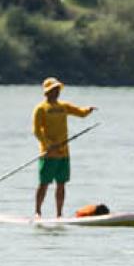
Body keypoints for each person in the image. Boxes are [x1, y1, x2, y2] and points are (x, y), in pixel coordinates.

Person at [32, 77, 95, 218]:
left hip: (63, 153)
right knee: (44, 183)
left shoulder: (64, 106)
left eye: (57, 89)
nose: (56, 92)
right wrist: (48, 144)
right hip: (48, 154)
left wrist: (88, 110)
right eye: (53, 89)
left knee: (61, 184)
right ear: (46, 92)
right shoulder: (40, 109)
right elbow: (37, 131)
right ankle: (37, 211)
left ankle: (59, 214)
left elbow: (80, 112)